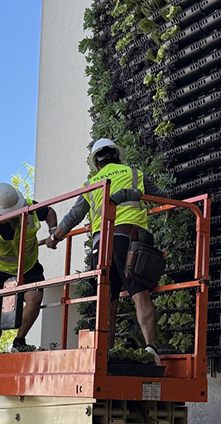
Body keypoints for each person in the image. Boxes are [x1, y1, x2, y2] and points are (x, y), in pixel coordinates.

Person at [46, 138, 165, 361]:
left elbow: (74, 216)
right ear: (118, 157)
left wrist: (54, 238)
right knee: (140, 295)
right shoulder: (133, 173)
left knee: (107, 300)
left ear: (96, 165)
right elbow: (160, 195)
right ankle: (151, 348)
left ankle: (104, 352)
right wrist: (172, 208)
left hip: (102, 245)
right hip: (130, 239)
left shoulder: (91, 184)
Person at [0, 182, 57, 354]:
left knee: (35, 298)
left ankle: (19, 340)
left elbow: (49, 212)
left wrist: (53, 231)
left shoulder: (29, 208)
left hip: (28, 266)